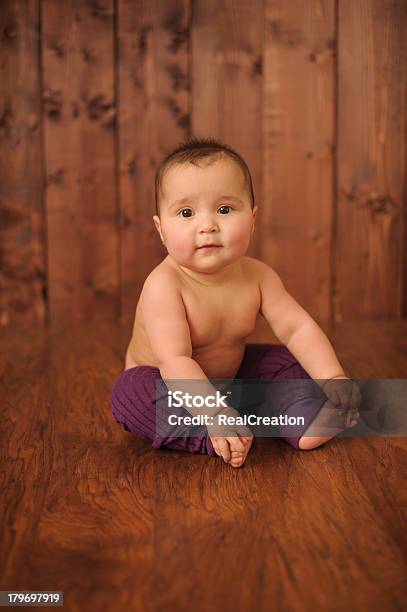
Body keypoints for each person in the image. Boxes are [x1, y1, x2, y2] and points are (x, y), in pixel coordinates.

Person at [111, 137, 361, 468]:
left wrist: (333, 378)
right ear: (161, 229)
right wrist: (213, 412)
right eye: (186, 213)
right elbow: (174, 361)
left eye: (225, 209)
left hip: (231, 378)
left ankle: (303, 419)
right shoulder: (164, 285)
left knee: (283, 361)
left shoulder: (258, 276)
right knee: (128, 393)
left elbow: (297, 328)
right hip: (173, 390)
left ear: (252, 219)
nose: (208, 225)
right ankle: (210, 436)